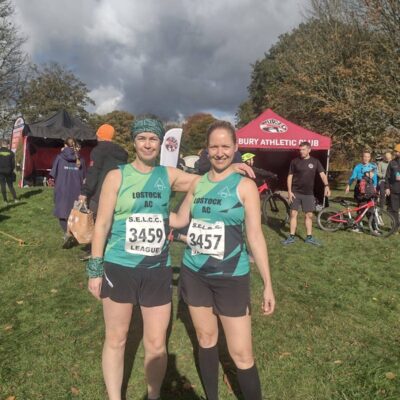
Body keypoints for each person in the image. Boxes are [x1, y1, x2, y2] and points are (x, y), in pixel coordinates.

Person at [86, 116, 254, 400]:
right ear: (134, 142)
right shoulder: (117, 176)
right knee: (116, 338)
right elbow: (101, 224)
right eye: (142, 138)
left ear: (161, 143)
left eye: (153, 139)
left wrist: (230, 169)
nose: (147, 144)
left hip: (157, 269)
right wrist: (95, 268)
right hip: (119, 266)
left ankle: (154, 396)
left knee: (155, 343)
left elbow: (206, 181)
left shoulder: (168, 175)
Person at [170, 121, 275, 400]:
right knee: (206, 340)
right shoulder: (197, 183)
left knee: (242, 354)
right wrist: (150, 209)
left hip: (231, 277)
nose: (219, 152)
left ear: (235, 147)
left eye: (225, 146)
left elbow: (255, 236)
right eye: (214, 146)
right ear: (206, 150)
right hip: (195, 273)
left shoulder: (245, 186)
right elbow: (179, 219)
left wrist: (267, 284)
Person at [282, 142, 330, 246]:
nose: (301, 151)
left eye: (303, 149)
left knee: (309, 215)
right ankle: (291, 237)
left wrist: (326, 186)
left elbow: (322, 174)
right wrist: (289, 191)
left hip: (308, 194)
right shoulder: (295, 161)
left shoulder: (315, 161)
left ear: (309, 150)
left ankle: (309, 237)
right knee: (293, 214)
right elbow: (290, 176)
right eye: (300, 150)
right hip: (295, 192)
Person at [79, 124, 128, 215]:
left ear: (99, 135)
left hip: (98, 197)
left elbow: (93, 173)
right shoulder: (123, 153)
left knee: (96, 222)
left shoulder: (98, 150)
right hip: (117, 197)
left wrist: (84, 192)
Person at [50, 137, 86, 246]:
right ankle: (71, 234)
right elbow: (84, 177)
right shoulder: (81, 159)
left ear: (65, 145)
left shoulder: (59, 158)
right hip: (77, 191)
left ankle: (68, 233)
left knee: (62, 214)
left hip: (62, 190)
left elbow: (53, 174)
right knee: (75, 214)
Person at [345, 150, 377, 232]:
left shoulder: (373, 167)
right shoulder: (358, 167)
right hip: (360, 190)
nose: (366, 158)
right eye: (364, 156)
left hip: (370, 189)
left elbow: (375, 178)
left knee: (371, 209)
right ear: (362, 157)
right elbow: (353, 176)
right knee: (361, 209)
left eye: (367, 157)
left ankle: (374, 228)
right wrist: (348, 185)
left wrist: (375, 187)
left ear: (370, 158)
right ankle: (356, 226)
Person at [385, 144, 400, 230]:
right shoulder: (392, 162)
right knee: (394, 210)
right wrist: (387, 187)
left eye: (397, 151)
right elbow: (387, 176)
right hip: (394, 190)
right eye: (396, 151)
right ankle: (394, 228)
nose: (396, 153)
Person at [0, 139, 18, 204]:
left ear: (1, 144)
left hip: (0, 171)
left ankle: (5, 200)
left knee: (3, 185)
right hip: (9, 171)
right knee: (10, 185)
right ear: (7, 145)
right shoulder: (11, 153)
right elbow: (13, 164)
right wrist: (12, 170)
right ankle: (15, 199)